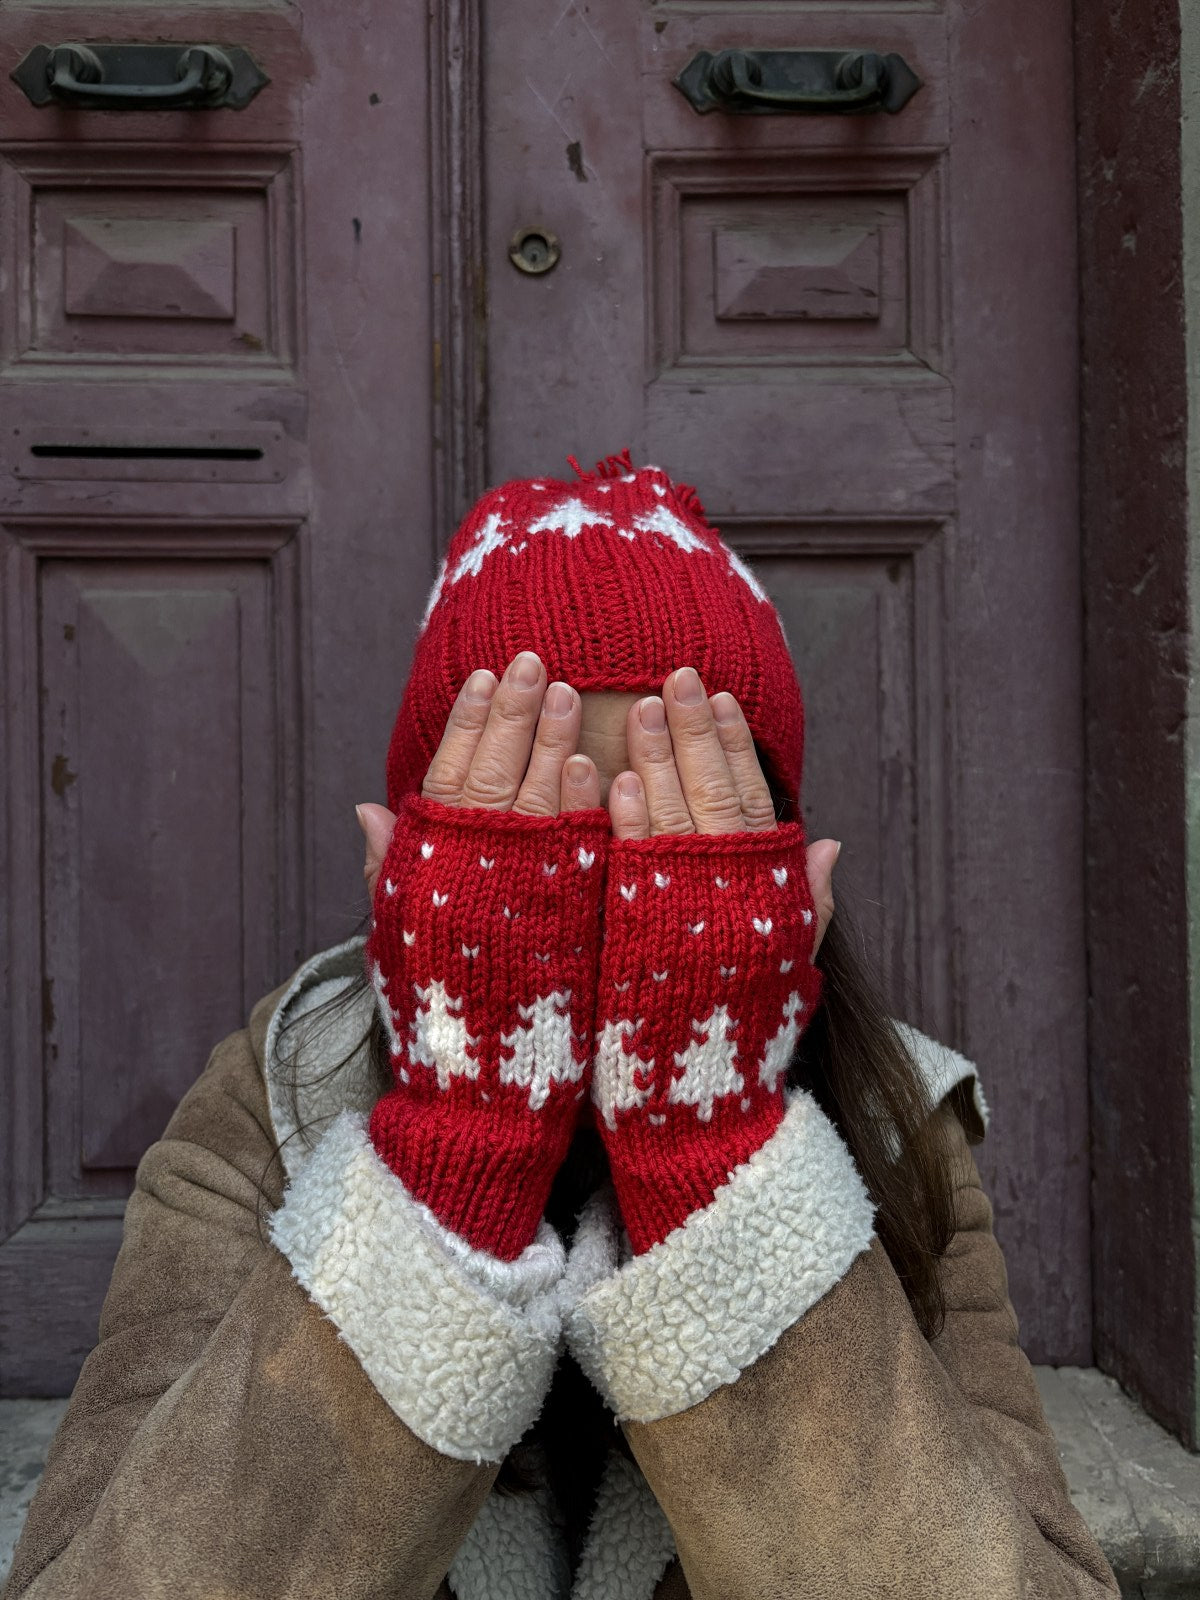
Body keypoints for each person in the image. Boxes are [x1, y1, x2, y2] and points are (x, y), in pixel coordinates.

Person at [2, 450, 1119, 1599]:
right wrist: (456, 1156)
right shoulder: (279, 1100)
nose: (595, 895)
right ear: (402, 875)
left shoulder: (894, 1124)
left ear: (796, 896)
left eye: (666, 825)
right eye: (527, 829)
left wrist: (716, 1163)